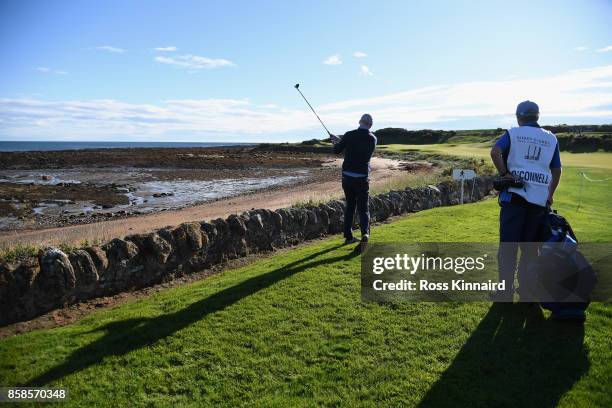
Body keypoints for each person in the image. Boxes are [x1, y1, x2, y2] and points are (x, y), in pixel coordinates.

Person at [489, 100, 562, 301]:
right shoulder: (551, 138)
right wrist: (550, 193)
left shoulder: (513, 133)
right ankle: (526, 290)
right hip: (539, 202)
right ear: (537, 116)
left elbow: (495, 152)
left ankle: (505, 292)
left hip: (514, 198)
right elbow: (556, 169)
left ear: (519, 117)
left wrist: (505, 173)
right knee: (530, 249)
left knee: (508, 249)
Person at [330, 114, 377, 246]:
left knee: (350, 206)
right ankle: (365, 234)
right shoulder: (373, 139)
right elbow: (358, 149)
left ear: (359, 121)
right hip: (362, 178)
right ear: (370, 125)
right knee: (363, 208)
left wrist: (337, 142)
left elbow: (337, 150)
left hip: (347, 177)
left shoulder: (349, 135)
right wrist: (341, 141)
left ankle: (349, 236)